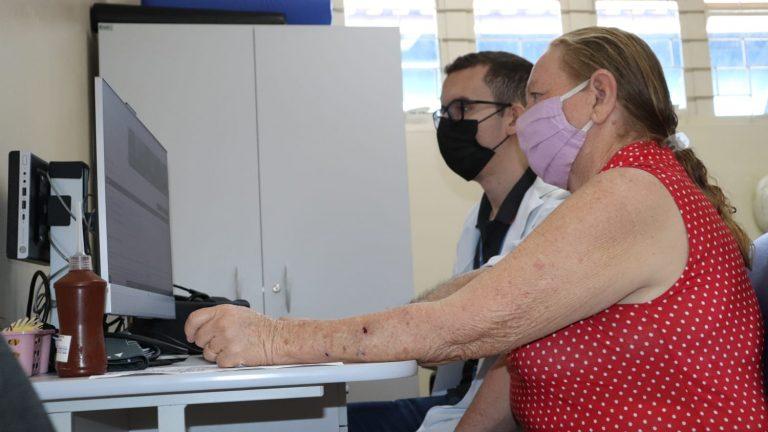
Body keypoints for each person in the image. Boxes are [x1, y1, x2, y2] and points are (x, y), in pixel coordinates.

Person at [185, 26, 768, 430]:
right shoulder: (621, 193)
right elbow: (490, 318)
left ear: (599, 97)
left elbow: (459, 327)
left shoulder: (632, 191)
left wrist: (272, 339)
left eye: (537, 98)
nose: (527, 119)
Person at [347, 52, 568, 432]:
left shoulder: (555, 211)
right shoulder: (478, 217)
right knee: (337, 421)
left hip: (505, 413)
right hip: (455, 401)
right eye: (445, 111)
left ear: (514, 118)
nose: (449, 124)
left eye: (462, 108)